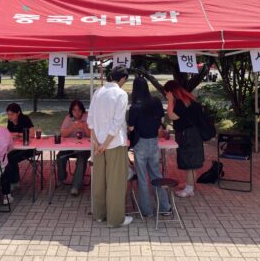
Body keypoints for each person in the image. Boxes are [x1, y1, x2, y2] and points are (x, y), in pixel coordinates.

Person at [87, 65, 132, 227]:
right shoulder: (121, 94)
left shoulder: (98, 92)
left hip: (98, 144)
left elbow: (90, 120)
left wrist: (97, 143)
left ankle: (99, 215)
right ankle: (115, 219)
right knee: (116, 182)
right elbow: (117, 122)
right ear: (123, 79)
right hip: (114, 143)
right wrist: (104, 144)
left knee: (99, 181)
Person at [128, 76, 171, 217]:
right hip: (153, 141)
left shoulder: (134, 107)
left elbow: (131, 127)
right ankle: (165, 207)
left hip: (140, 143)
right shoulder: (156, 101)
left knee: (142, 177)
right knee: (156, 175)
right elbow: (161, 120)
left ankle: (146, 211)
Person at [164, 80, 204, 198]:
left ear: (171, 92)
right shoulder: (189, 100)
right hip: (194, 134)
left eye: (167, 93)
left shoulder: (181, 103)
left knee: (189, 162)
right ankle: (189, 184)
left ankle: (189, 189)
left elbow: (171, 116)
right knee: (191, 162)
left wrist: (170, 101)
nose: (166, 95)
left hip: (188, 135)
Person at [56, 100, 91, 196]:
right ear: (71, 111)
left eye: (79, 110)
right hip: (70, 146)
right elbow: (62, 134)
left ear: (83, 110)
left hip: (84, 147)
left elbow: (92, 135)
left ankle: (75, 186)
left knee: (81, 159)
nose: (77, 113)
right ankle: (62, 177)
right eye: (74, 110)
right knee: (60, 156)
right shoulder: (68, 118)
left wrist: (84, 127)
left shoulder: (88, 117)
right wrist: (72, 127)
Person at [6, 103, 35, 190]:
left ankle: (15, 182)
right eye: (8, 114)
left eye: (12, 114)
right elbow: (8, 134)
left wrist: (18, 134)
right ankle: (13, 180)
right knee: (7, 156)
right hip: (16, 147)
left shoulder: (25, 119)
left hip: (28, 148)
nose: (10, 117)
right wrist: (19, 135)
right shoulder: (10, 122)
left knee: (12, 158)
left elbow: (32, 134)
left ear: (18, 113)